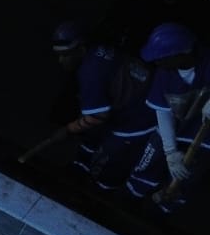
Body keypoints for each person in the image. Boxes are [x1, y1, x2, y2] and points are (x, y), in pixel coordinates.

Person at [45, 21, 153, 189]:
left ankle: (98, 190)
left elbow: (98, 116)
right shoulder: (97, 51)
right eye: (58, 55)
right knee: (91, 130)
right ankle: (80, 167)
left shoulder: (91, 72)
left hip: (140, 116)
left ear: (80, 50)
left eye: (65, 55)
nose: (61, 61)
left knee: (108, 163)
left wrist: (67, 130)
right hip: (129, 102)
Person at [125, 22, 210, 210]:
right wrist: (171, 152)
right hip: (177, 127)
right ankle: (128, 201)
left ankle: (163, 210)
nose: (156, 62)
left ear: (181, 54)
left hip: (204, 137)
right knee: (149, 161)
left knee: (186, 177)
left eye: (161, 58)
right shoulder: (165, 73)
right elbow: (162, 112)